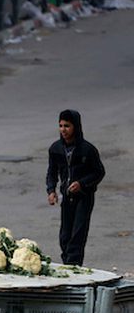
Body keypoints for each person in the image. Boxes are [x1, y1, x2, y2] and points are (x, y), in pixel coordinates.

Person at [46, 110, 105, 266]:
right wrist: (51, 190)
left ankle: (73, 267)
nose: (63, 130)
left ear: (76, 127)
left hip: (84, 197)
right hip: (67, 197)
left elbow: (99, 172)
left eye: (67, 126)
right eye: (60, 126)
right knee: (65, 236)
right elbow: (52, 172)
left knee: (77, 235)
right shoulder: (56, 149)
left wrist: (82, 184)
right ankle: (67, 265)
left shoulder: (87, 150)